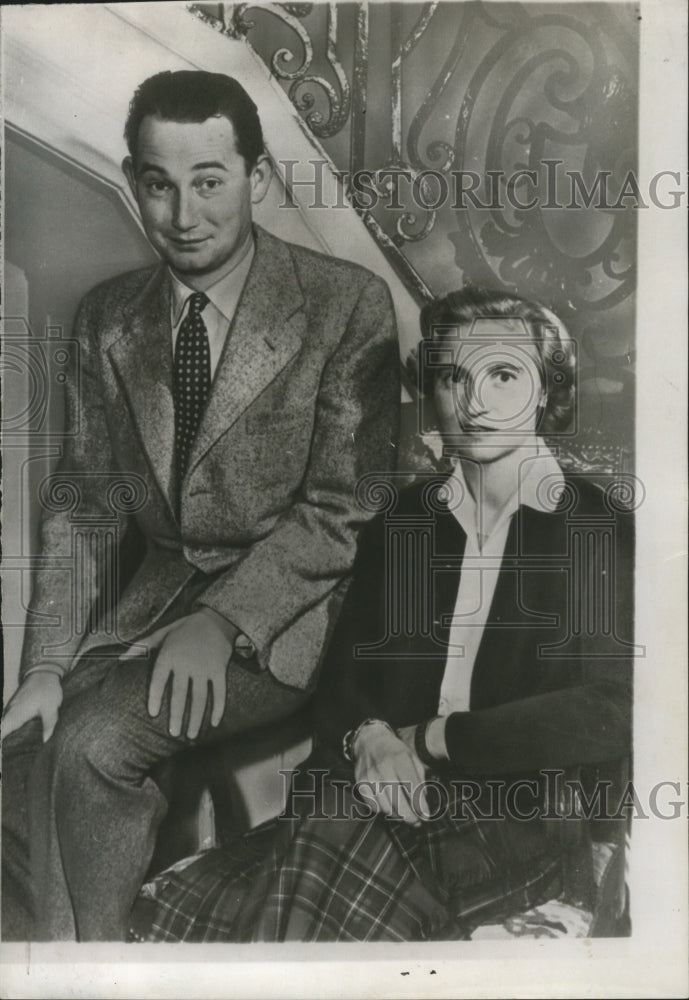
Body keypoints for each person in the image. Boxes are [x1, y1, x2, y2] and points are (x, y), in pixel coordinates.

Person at [1, 69, 400, 941]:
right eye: (158, 183)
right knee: (22, 749)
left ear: (256, 180)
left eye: (209, 182)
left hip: (299, 613)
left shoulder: (346, 306)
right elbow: (84, 505)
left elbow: (342, 508)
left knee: (96, 742)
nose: (183, 214)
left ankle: (93, 970)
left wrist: (222, 621)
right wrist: (42, 664)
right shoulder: (110, 318)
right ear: (134, 178)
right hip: (160, 595)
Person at [128, 288, 634, 943]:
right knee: (313, 833)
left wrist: (428, 740)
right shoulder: (402, 525)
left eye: (503, 375)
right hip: (385, 800)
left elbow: (610, 710)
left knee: (318, 843)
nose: (474, 402)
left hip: (524, 814)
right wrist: (368, 737)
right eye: (453, 377)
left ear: (545, 391)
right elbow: (344, 691)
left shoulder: (595, 524)